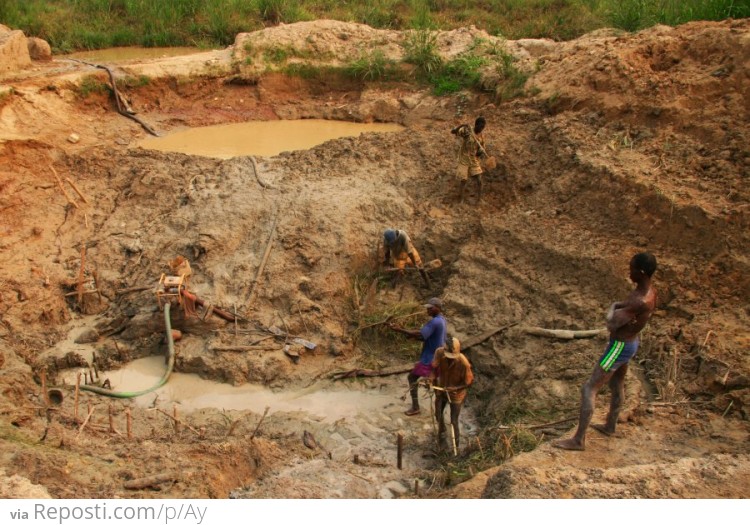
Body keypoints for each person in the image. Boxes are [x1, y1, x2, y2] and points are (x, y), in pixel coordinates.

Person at [554, 252, 658, 451]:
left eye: (632, 269)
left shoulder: (640, 301)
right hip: (631, 342)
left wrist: (612, 308)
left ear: (641, 272)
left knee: (589, 388)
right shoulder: (649, 293)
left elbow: (612, 324)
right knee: (617, 383)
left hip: (618, 346)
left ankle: (578, 440)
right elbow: (628, 310)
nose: (629, 273)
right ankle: (610, 425)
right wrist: (620, 307)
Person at [390, 297, 447, 416]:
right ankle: (439, 410)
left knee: (411, 378)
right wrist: (411, 336)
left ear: (437, 308)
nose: (428, 311)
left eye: (430, 308)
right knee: (437, 386)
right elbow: (423, 336)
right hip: (438, 357)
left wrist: (399, 330)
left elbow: (420, 334)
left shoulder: (435, 322)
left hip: (430, 358)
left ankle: (416, 407)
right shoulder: (442, 320)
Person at [430, 334, 474, 451]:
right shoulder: (440, 352)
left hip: (456, 394)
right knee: (438, 414)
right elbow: (434, 368)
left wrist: (455, 388)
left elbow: (468, 382)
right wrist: (432, 379)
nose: (450, 358)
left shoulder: (463, 363)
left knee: (454, 420)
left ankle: (456, 447)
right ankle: (442, 435)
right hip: (442, 389)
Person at [451, 116, 488, 203]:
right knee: (463, 180)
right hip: (464, 158)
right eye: (480, 127)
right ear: (476, 125)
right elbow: (453, 132)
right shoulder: (467, 131)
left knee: (479, 180)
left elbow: (478, 153)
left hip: (473, 159)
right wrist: (462, 125)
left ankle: (479, 199)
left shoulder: (481, 137)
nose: (481, 129)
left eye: (483, 127)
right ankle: (461, 199)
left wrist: (481, 151)